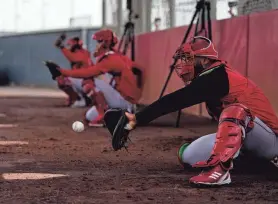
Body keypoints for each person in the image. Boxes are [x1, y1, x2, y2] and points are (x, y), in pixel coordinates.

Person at [120, 36, 278, 186]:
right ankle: (250, 162)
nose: (184, 63)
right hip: (245, 142)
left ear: (204, 60)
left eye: (189, 58)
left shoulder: (218, 76)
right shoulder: (209, 77)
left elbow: (176, 100)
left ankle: (219, 173)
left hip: (269, 142)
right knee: (188, 156)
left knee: (236, 110)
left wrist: (136, 119)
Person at [45, 29, 143, 127]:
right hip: (122, 99)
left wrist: (62, 71)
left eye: (99, 42)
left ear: (106, 42)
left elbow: (88, 73)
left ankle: (103, 114)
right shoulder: (116, 55)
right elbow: (138, 69)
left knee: (88, 80)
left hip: (124, 101)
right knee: (89, 117)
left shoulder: (111, 59)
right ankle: (116, 115)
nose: (96, 45)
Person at [53, 34, 93, 107]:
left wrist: (62, 47)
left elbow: (72, 58)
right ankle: (77, 98)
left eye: (70, 45)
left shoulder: (82, 53)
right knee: (65, 78)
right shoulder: (82, 52)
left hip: (88, 83)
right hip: (85, 82)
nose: (69, 47)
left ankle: (81, 100)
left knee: (63, 80)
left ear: (75, 46)